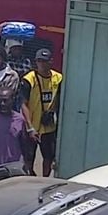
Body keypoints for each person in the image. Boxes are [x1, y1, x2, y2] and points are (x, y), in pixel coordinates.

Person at [21, 48, 63, 177]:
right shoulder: (29, 79)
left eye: (45, 61)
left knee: (48, 157)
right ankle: (30, 178)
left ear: (51, 61)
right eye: (39, 61)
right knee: (28, 158)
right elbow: (23, 104)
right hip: (32, 127)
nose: (42, 64)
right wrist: (30, 128)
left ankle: (45, 179)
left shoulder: (58, 78)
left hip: (49, 127)